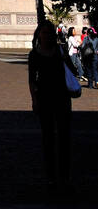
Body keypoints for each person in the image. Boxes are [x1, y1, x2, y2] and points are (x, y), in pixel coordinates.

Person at [28, 19, 78, 188]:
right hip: (44, 99)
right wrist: (34, 100)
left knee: (64, 136)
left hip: (62, 97)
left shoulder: (60, 50)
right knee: (48, 137)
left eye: (49, 33)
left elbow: (73, 70)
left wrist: (67, 64)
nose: (47, 36)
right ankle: (51, 174)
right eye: (44, 32)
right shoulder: (34, 54)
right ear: (39, 35)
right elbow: (31, 80)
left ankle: (65, 174)